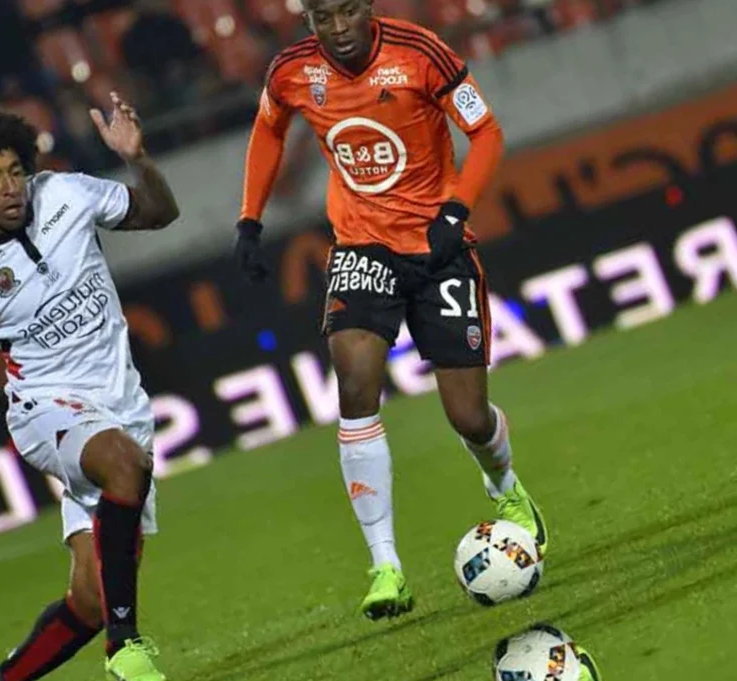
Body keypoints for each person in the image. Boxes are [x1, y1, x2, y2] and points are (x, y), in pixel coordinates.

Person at [234, 0, 547, 620]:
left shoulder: (422, 53)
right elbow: (269, 127)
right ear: (308, 21)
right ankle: (386, 566)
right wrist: (250, 217)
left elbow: (485, 133)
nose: (339, 27)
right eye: (324, 16)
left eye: (349, 11)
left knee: (466, 414)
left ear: (368, 8)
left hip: (438, 248)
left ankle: (506, 487)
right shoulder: (291, 71)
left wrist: (457, 209)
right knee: (354, 380)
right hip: (361, 246)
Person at [0, 94, 178, 681]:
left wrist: (139, 160)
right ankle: (128, 650)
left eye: (16, 170)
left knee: (91, 600)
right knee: (122, 464)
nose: (11, 187)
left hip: (121, 403)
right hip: (44, 410)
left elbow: (160, 213)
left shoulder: (67, 193)